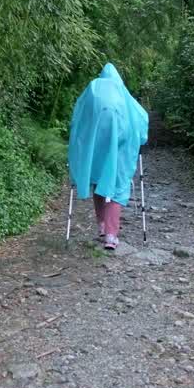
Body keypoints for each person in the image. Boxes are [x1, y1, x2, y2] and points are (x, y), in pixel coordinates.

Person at [67, 63, 149, 250]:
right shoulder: (122, 92)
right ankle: (111, 237)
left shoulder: (93, 89)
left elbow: (78, 117)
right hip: (121, 146)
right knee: (116, 185)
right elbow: (141, 117)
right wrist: (141, 139)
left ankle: (102, 226)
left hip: (94, 146)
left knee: (99, 181)